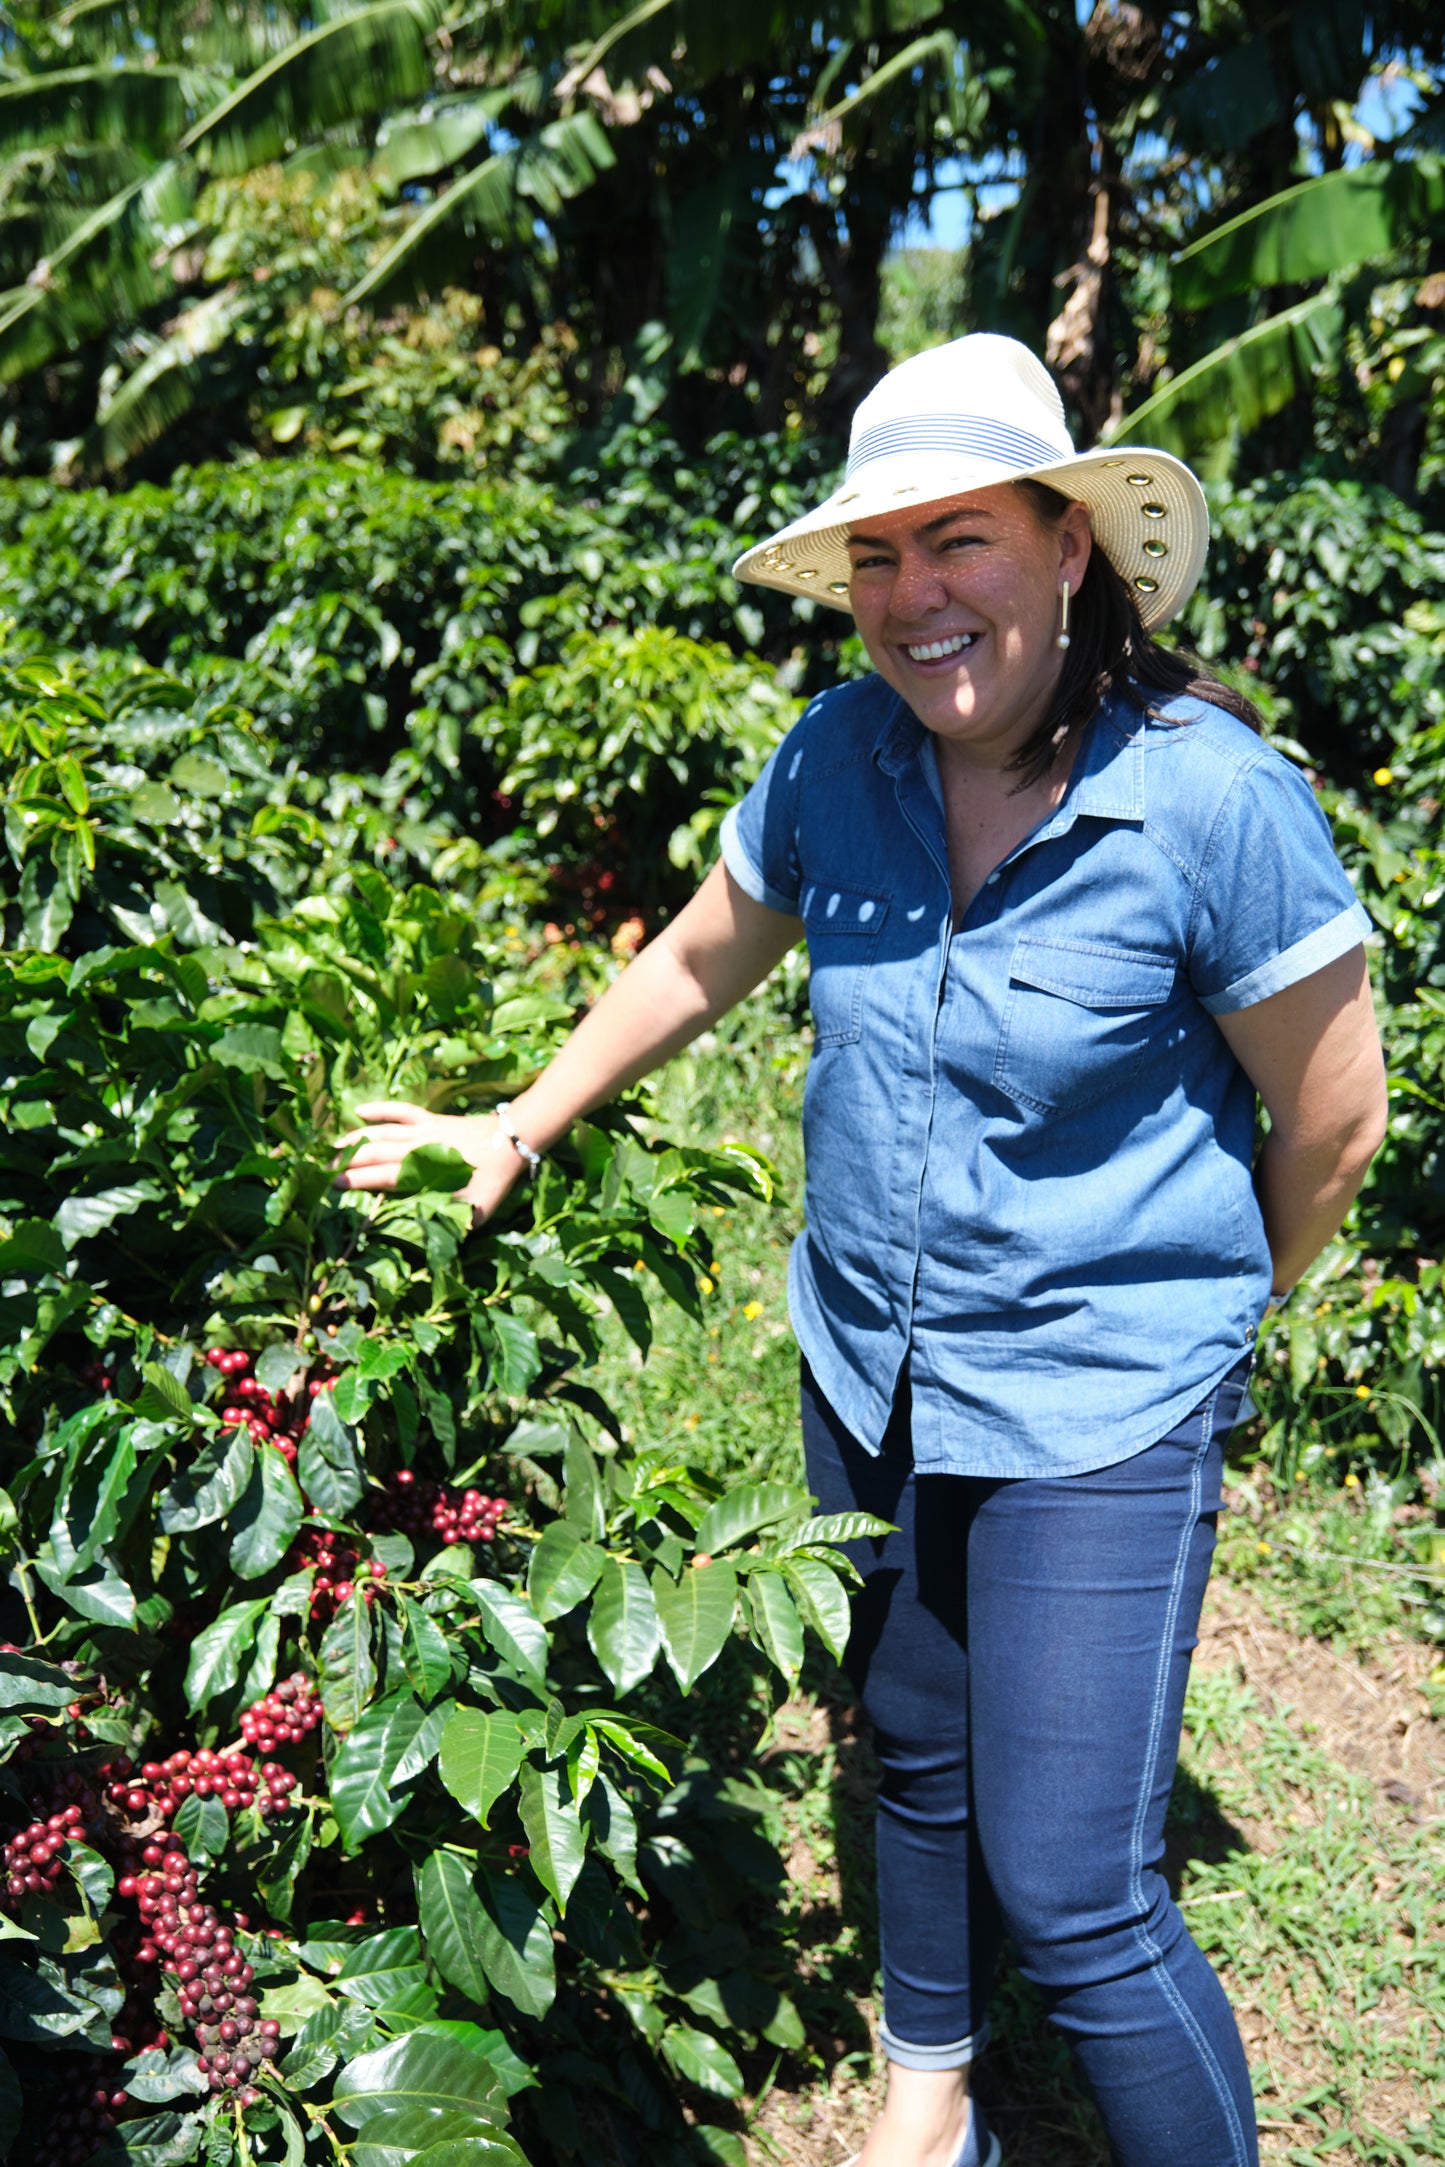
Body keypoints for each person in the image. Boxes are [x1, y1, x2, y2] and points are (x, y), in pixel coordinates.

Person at [337, 335, 1387, 2167]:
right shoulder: (841, 755)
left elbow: (1333, 1119)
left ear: (1068, 546)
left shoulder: (1210, 801)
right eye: (878, 556)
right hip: (871, 1362)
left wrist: (1203, 1326)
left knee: (1074, 1893)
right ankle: (925, 2101)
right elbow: (698, 956)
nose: (914, 596)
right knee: (908, 1734)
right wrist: (511, 1123)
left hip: (1101, 1405)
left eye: (960, 539)